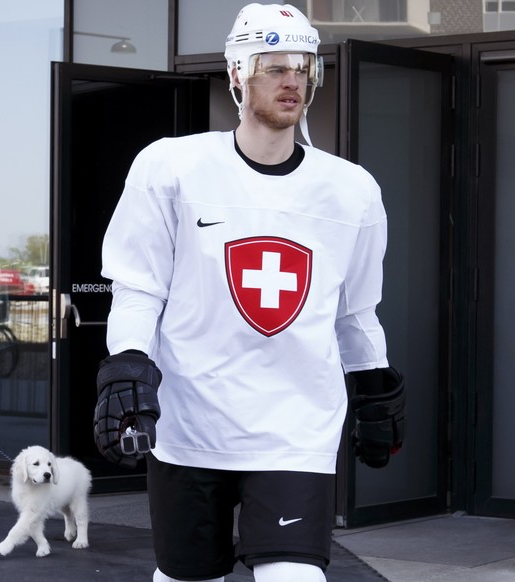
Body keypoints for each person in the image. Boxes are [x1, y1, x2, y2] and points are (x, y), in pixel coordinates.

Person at [93, 4, 405, 582]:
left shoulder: (351, 191)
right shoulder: (171, 168)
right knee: (188, 578)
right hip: (190, 424)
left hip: (295, 424)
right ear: (237, 73)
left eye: (304, 66)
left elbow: (356, 310)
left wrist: (372, 386)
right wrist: (128, 363)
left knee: (294, 576)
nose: (293, 79)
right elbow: (139, 286)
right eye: (273, 64)